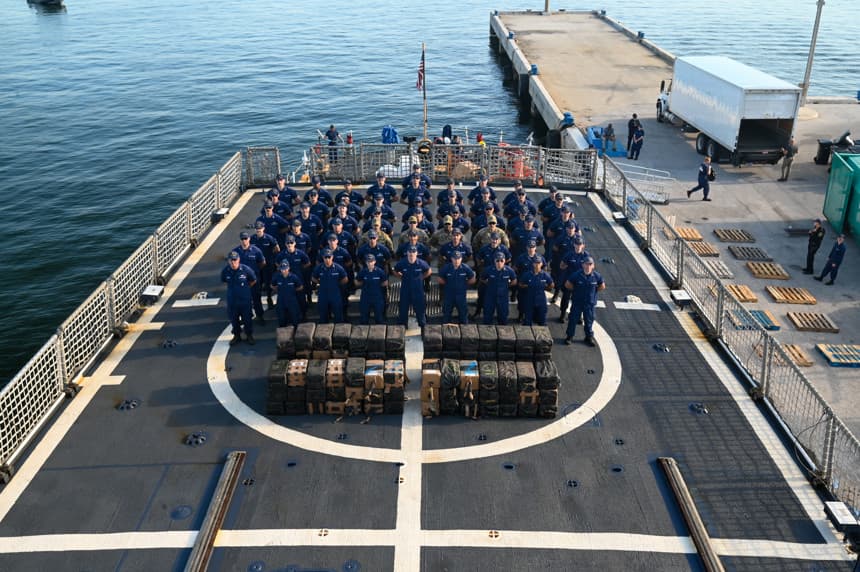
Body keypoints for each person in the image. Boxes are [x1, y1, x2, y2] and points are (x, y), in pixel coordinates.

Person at [563, 257, 605, 346]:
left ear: (593, 266)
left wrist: (594, 293)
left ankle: (588, 337)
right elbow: (567, 284)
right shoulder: (576, 275)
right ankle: (569, 336)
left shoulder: (597, 276)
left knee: (589, 321)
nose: (588, 266)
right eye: (586, 264)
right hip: (577, 302)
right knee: (573, 320)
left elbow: (602, 286)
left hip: (589, 304)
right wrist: (575, 291)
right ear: (583, 265)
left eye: (590, 264)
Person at [221, 251, 257, 346]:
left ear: (238, 260)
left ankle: (249, 335)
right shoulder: (226, 271)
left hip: (245, 301)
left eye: (235, 260)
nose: (233, 262)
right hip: (232, 301)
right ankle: (237, 336)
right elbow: (224, 280)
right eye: (231, 260)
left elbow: (253, 280)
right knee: (234, 319)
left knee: (247, 319)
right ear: (228, 261)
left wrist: (245, 289)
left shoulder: (246, 269)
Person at [393, 245, 432, 327]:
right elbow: (395, 270)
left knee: (420, 309)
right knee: (403, 309)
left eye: (413, 252)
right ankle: (402, 326)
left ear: (416, 253)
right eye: (410, 252)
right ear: (407, 253)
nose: (411, 254)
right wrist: (401, 276)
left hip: (418, 291)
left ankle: (423, 326)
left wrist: (422, 277)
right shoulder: (402, 263)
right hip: (405, 290)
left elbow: (429, 270)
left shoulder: (421, 263)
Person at [235, 231, 266, 323]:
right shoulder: (236, 252)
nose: (244, 241)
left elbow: (262, 263)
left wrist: (255, 272)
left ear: (249, 239)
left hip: (254, 280)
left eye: (245, 238)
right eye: (242, 239)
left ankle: (260, 316)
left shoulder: (256, 250)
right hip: (242, 281)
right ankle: (246, 317)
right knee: (243, 300)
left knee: (256, 299)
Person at [437, 249, 476, 324]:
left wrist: (464, 284)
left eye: (458, 259)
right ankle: (446, 329)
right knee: (446, 315)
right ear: (451, 259)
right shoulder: (447, 267)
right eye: (455, 259)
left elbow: (473, 279)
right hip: (449, 296)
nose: (456, 261)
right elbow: (439, 278)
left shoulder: (465, 268)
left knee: (463, 315)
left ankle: (464, 329)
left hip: (461, 296)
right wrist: (447, 284)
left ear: (461, 259)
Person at [311, 248, 349, 323]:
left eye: (329, 257)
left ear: (332, 257)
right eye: (325, 257)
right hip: (323, 294)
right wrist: (320, 282)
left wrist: (337, 284)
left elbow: (345, 279)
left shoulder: (338, 267)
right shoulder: (319, 268)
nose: (327, 259)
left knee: (338, 314)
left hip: (335, 294)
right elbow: (313, 278)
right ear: (323, 258)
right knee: (323, 315)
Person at [481, 251, 517, 325]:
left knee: (503, 317)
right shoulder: (488, 270)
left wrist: (507, 285)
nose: (499, 263)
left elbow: (514, 281)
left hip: (503, 297)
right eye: (497, 260)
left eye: (501, 261)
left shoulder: (509, 270)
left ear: (504, 261)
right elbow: (482, 279)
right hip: (490, 296)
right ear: (494, 261)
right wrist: (489, 284)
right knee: (487, 316)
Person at [250, 221, 280, 308]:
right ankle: (257, 301)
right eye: (257, 229)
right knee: (257, 283)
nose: (258, 231)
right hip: (257, 265)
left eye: (260, 229)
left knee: (268, 282)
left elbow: (277, 248)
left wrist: (270, 256)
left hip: (267, 264)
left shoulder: (269, 238)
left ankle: (269, 298)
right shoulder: (252, 239)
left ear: (263, 228)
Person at [518, 257, 554, 326]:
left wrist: (544, 288)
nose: (537, 265)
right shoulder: (527, 274)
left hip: (541, 300)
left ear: (541, 264)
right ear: (533, 264)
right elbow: (520, 284)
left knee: (542, 320)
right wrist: (527, 286)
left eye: (539, 263)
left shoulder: (545, 275)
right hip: (529, 299)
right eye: (535, 263)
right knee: (527, 320)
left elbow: (551, 284)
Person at [355, 254, 388, 325]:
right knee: (364, 319)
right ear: (366, 262)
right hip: (365, 297)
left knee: (379, 318)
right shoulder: (363, 272)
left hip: (377, 297)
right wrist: (362, 283)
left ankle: (379, 331)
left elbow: (385, 282)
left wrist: (377, 285)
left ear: (374, 261)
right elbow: (356, 282)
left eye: (371, 261)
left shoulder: (380, 271)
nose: (370, 263)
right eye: (368, 261)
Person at [271, 261, 303, 328]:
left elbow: (300, 287)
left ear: (288, 268)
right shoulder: (277, 276)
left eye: (285, 269)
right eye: (282, 269)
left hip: (292, 300)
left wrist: (293, 290)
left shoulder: (294, 277)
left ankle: (295, 330)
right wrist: (278, 290)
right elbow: (272, 285)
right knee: (281, 317)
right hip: (281, 300)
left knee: (295, 317)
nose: (284, 271)